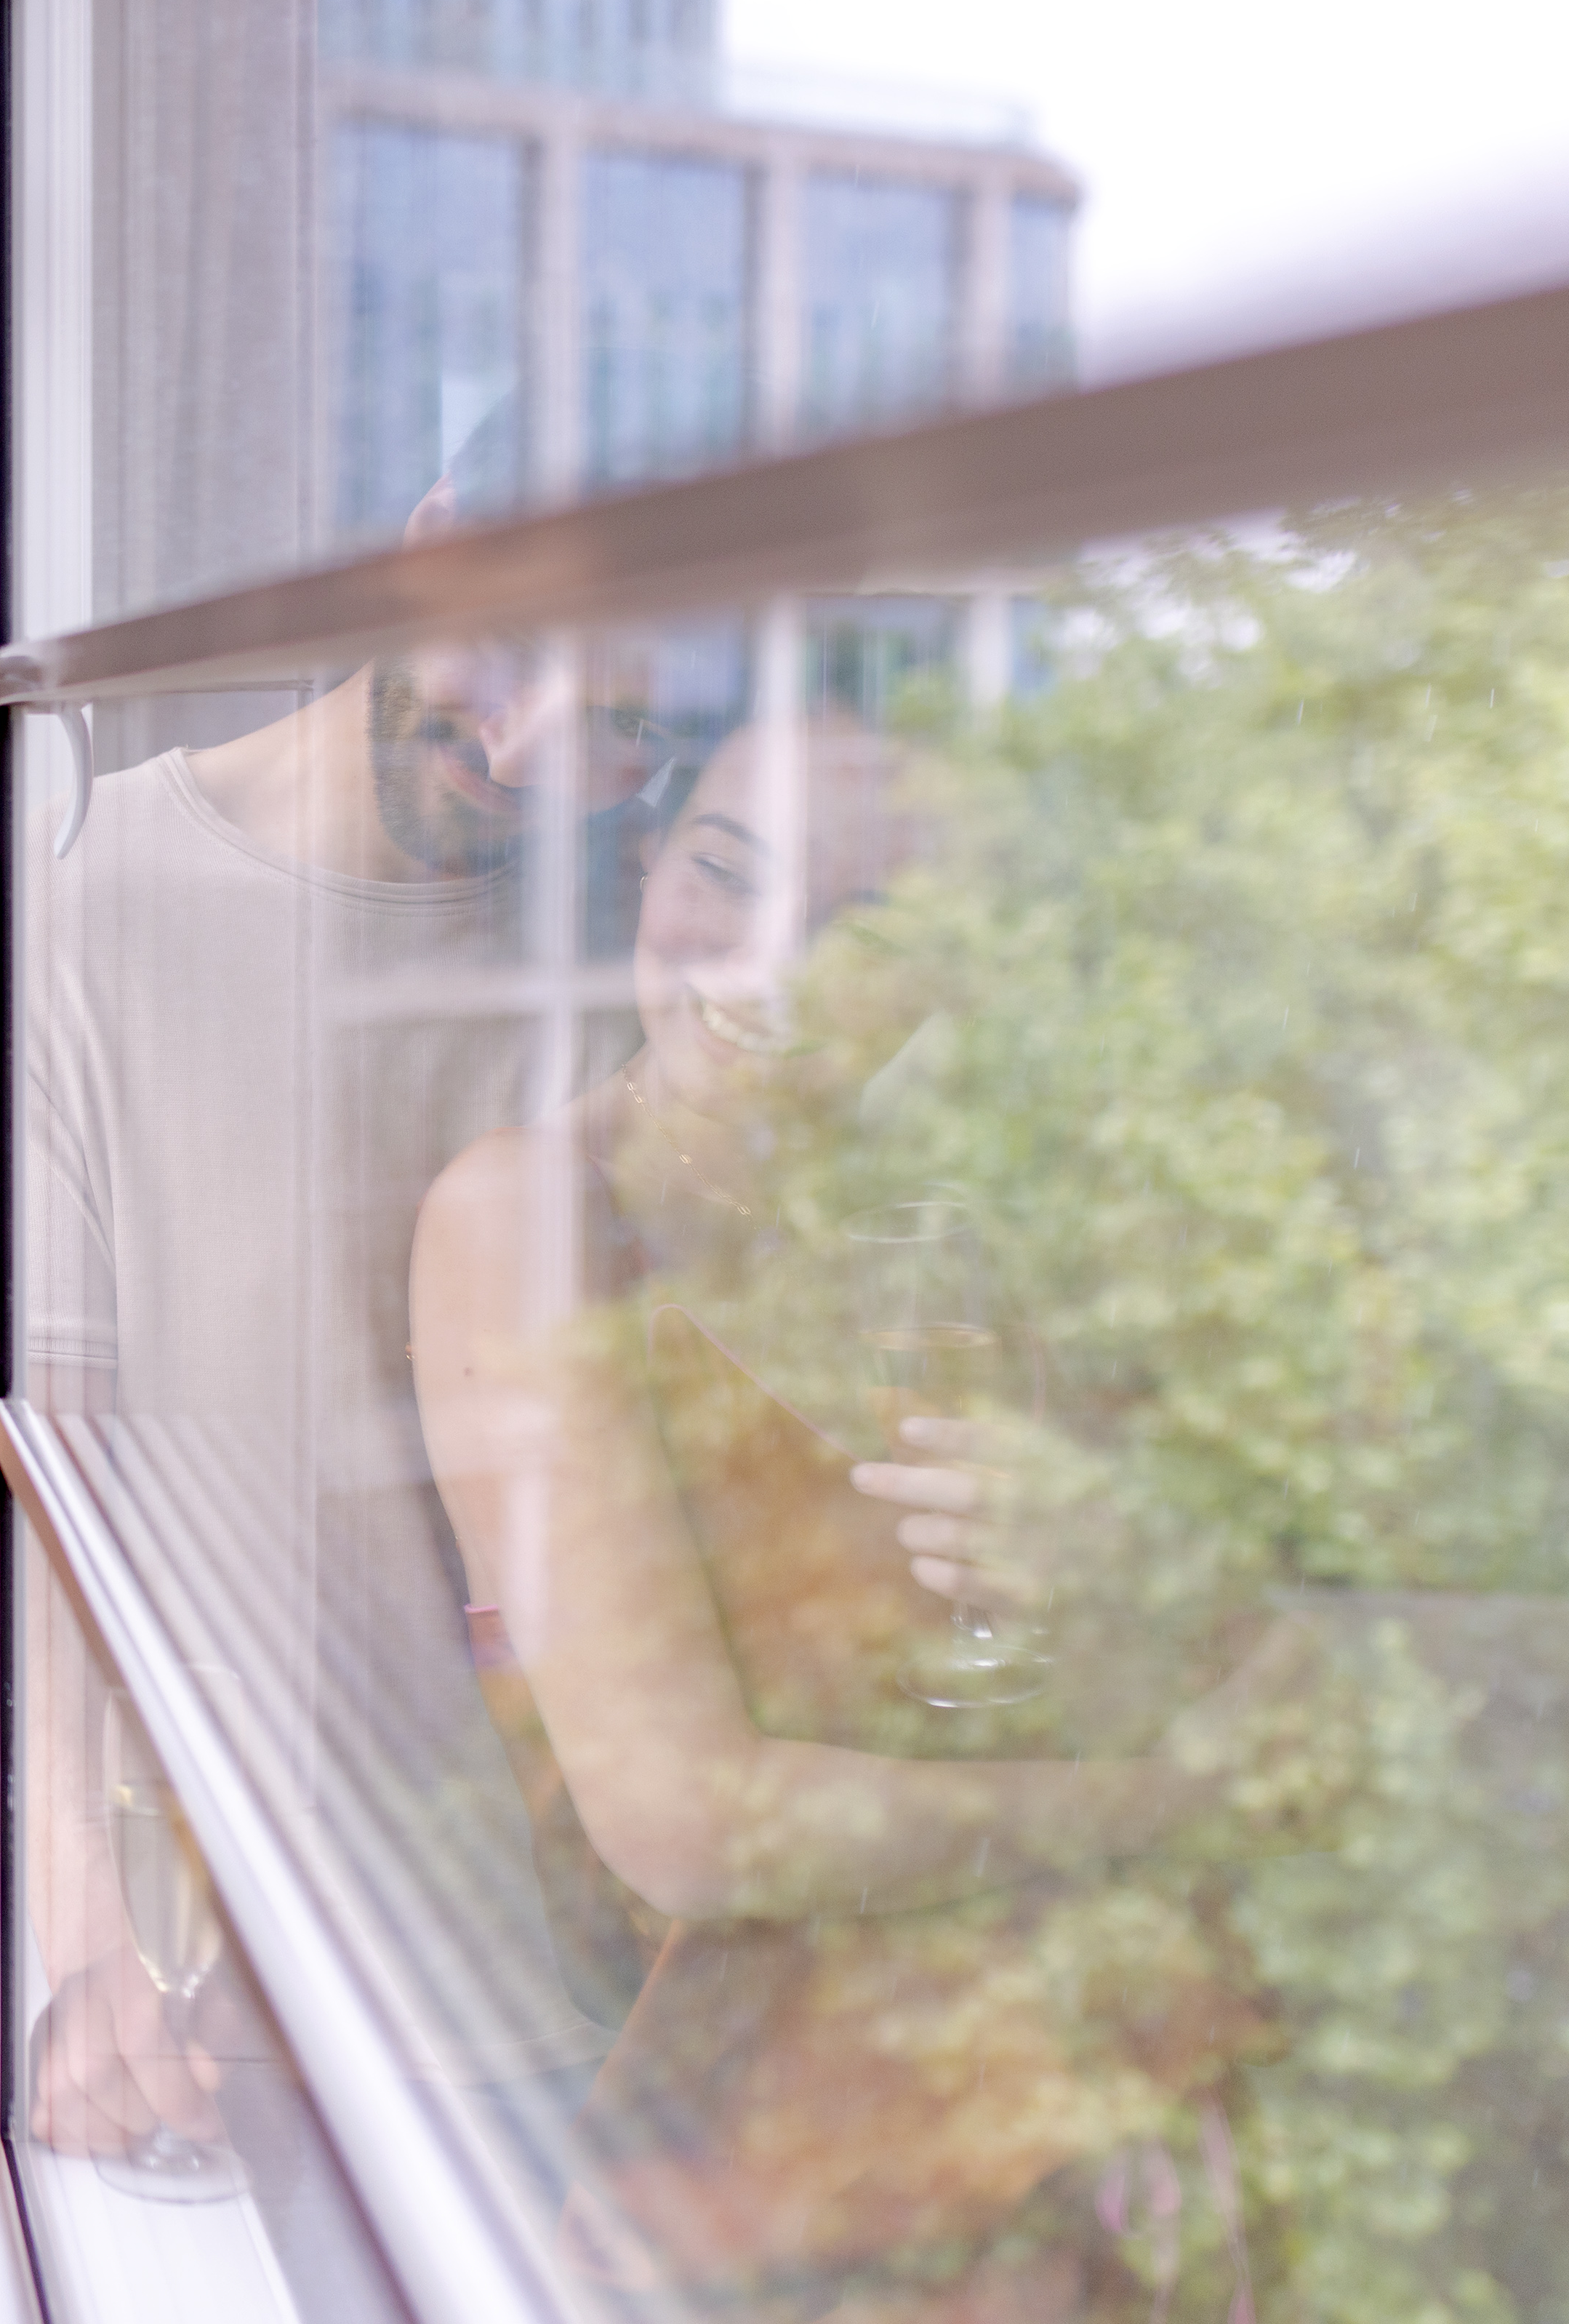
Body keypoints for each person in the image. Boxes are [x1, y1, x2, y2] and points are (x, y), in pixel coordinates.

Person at [407, 716, 1317, 2317]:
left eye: (860, 927)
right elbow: (686, 1823)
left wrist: (1111, 1581)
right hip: (764, 2202)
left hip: (1077, 2131)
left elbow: (1272, 1684)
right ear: (650, 859)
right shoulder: (524, 1221)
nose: (765, 964)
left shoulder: (950, 1244)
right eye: (726, 875)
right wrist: (1164, 1800)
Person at [9, 529, 721, 2231]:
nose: (533, 742)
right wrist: (86, 1933)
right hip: (226, 1969)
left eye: (622, 718)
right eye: (521, 654)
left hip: (577, 1974)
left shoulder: (641, 950)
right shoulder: (79, 898)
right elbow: (41, 1488)